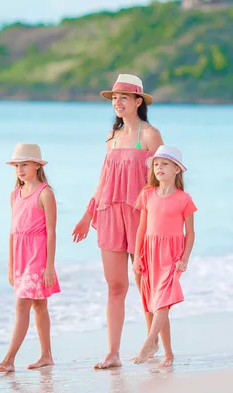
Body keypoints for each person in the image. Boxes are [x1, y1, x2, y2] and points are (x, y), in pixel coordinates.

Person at [72, 74, 164, 369]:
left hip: (141, 216)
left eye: (124, 97)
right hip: (110, 213)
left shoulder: (150, 135)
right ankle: (113, 353)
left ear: (138, 101)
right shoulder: (111, 139)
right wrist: (88, 215)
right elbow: (103, 182)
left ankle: (153, 341)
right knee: (115, 285)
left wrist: (163, 217)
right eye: (114, 98)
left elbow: (163, 179)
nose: (118, 102)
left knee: (145, 282)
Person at [0, 143, 60, 373]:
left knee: (22, 306)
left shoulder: (45, 193)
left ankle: (9, 359)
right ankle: (47, 355)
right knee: (39, 306)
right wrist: (11, 265)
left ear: (37, 166)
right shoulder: (15, 195)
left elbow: (51, 231)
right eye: (16, 165)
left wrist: (49, 266)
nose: (20, 169)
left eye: (24, 164)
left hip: (38, 256)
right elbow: (13, 232)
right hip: (20, 256)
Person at [132, 145, 197, 368]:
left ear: (177, 170)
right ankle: (168, 355)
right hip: (150, 254)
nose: (159, 167)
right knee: (158, 305)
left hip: (172, 256)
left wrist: (185, 259)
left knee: (162, 302)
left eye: (165, 164)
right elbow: (141, 229)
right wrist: (137, 256)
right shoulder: (147, 194)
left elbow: (191, 233)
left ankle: (150, 341)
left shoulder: (184, 199)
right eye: (157, 164)